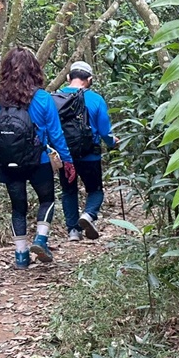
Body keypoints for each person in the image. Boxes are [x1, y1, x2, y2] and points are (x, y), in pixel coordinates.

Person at [0, 47, 76, 269]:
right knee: (47, 200)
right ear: (34, 69)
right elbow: (56, 134)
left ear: (6, 70)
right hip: (38, 160)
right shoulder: (43, 98)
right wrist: (67, 160)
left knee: (18, 208)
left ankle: (21, 256)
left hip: (8, 161)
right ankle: (41, 240)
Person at [57, 61, 118, 241]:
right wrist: (112, 142)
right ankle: (88, 215)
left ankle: (73, 231)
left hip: (65, 155)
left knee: (69, 191)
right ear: (89, 79)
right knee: (95, 190)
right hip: (90, 154)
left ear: (68, 77)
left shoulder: (55, 98)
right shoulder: (96, 99)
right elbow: (105, 131)